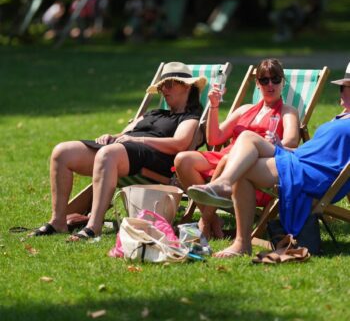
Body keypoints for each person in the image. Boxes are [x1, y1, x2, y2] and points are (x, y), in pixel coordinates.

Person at [187, 62, 350, 258]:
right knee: (243, 164)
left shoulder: (288, 111)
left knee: (247, 138)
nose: (342, 92)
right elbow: (214, 138)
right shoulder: (341, 117)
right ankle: (242, 243)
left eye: (346, 88)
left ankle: (223, 185)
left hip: (314, 172)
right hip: (299, 160)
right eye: (343, 87)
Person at [30, 62, 207, 240]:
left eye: (169, 84)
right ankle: (58, 221)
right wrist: (112, 136)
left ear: (186, 86)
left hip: (153, 159)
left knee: (108, 154)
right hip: (123, 151)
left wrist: (138, 139)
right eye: (161, 86)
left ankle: (94, 226)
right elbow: (125, 133)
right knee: (62, 152)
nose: (164, 90)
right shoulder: (154, 113)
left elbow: (179, 144)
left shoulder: (189, 118)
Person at [175, 58, 300, 239]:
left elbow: (291, 142)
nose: (270, 84)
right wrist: (214, 106)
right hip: (226, 157)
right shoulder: (245, 109)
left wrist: (275, 143)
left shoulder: (288, 112)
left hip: (254, 165)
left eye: (275, 79)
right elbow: (214, 138)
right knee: (183, 159)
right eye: (264, 80)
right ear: (257, 84)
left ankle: (204, 222)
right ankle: (214, 220)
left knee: (227, 161)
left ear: (283, 82)